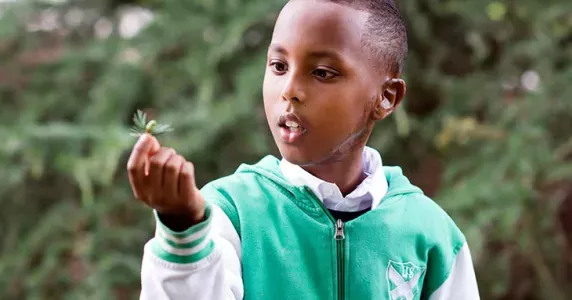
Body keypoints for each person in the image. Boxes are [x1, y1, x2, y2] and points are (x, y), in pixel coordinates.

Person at [127, 0, 480, 299]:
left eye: (323, 73)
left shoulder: (431, 235)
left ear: (386, 97)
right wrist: (182, 229)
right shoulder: (230, 213)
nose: (289, 90)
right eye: (279, 66)